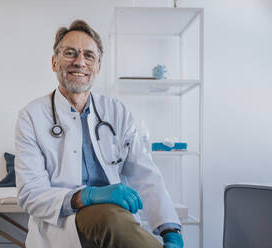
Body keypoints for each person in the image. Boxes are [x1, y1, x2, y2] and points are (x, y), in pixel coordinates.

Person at [15, 20, 184, 248]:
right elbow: (31, 194)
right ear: (54, 62)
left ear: (98, 67)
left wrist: (170, 228)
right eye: (70, 53)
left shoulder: (117, 111)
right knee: (108, 216)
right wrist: (87, 196)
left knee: (113, 217)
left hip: (118, 223)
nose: (80, 62)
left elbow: (145, 173)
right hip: (64, 221)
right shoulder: (32, 116)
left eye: (89, 56)